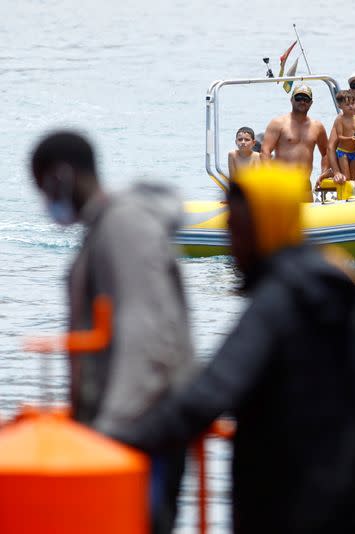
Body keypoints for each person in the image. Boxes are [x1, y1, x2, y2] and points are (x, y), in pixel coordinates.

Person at [110, 163, 355, 534]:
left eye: (238, 230)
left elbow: (211, 392)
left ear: (266, 227)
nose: (231, 244)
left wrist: (123, 439)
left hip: (284, 503)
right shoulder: (344, 286)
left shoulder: (279, 299)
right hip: (353, 497)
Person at [29, 131, 194, 534]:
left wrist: (109, 434)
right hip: (125, 431)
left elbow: (146, 329)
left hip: (141, 430)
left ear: (61, 176)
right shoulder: (102, 229)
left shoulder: (123, 225)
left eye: (43, 186)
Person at [260, 84, 328, 200]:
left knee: (307, 217)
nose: (302, 102)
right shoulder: (278, 123)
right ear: (291, 100)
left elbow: (326, 153)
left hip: (304, 185)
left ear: (311, 103)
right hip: (281, 184)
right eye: (298, 98)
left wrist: (324, 172)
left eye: (306, 99)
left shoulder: (317, 127)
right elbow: (265, 151)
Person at [328, 90, 355, 187]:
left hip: (353, 152)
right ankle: (330, 173)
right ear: (340, 106)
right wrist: (351, 138)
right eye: (347, 104)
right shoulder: (339, 119)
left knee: (353, 177)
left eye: (352, 103)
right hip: (342, 152)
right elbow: (340, 137)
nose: (351, 106)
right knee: (347, 177)